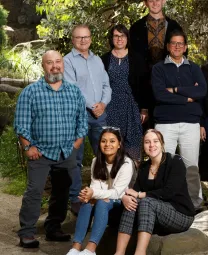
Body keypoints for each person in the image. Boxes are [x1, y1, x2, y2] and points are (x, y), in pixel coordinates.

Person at [14, 50, 88, 248]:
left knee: (62, 191)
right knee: (34, 192)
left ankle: (53, 228)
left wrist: (77, 142)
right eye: (49, 63)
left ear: (63, 64)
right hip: (40, 152)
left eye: (58, 62)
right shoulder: (30, 92)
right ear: (43, 65)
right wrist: (28, 147)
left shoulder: (74, 91)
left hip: (66, 151)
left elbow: (82, 120)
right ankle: (27, 233)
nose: (54, 66)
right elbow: (21, 124)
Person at [114, 129, 195, 255]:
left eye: (155, 141)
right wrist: (126, 197)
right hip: (155, 214)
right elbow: (134, 191)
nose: (151, 145)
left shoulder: (175, 161)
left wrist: (141, 194)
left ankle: (140, 253)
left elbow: (169, 191)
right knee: (131, 203)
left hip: (180, 214)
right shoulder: (144, 167)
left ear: (162, 143)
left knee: (146, 201)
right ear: (144, 146)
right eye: (147, 142)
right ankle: (119, 252)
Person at [152, 29, 207, 210]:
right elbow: (159, 95)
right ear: (168, 46)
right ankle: (161, 201)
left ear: (185, 47)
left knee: (191, 165)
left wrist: (174, 90)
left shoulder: (194, 68)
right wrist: (187, 97)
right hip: (165, 123)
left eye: (180, 43)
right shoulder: (158, 68)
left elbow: (201, 91)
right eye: (173, 43)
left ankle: (195, 203)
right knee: (163, 163)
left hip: (190, 123)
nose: (177, 46)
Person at [64, 24, 112, 215]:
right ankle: (76, 199)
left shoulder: (97, 60)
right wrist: (94, 105)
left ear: (91, 38)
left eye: (86, 37)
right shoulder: (67, 61)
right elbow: (74, 89)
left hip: (100, 115)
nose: (83, 40)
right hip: (79, 116)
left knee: (105, 155)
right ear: (73, 40)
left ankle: (104, 193)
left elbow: (106, 85)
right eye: (79, 37)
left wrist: (103, 104)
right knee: (75, 159)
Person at [66, 128, 134, 255]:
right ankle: (75, 248)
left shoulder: (126, 163)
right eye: (104, 141)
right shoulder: (96, 161)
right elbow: (95, 187)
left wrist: (94, 193)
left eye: (112, 141)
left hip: (121, 205)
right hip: (102, 202)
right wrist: (88, 194)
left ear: (119, 144)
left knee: (101, 201)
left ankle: (91, 250)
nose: (107, 144)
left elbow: (117, 193)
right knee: (88, 201)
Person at [130, 0, 183, 128]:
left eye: (158, 0)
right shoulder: (136, 28)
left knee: (168, 127)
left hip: (168, 84)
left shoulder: (174, 26)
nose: (155, 3)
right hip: (143, 86)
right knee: (145, 129)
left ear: (164, 1)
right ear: (145, 3)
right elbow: (132, 59)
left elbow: (182, 56)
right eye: (151, 0)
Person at [101, 25, 145, 162]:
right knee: (112, 145)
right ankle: (111, 180)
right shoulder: (104, 59)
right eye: (116, 36)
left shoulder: (137, 59)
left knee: (133, 147)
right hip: (110, 107)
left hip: (131, 107)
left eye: (123, 36)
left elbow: (144, 85)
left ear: (127, 38)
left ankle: (132, 181)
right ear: (111, 38)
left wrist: (144, 109)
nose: (119, 39)